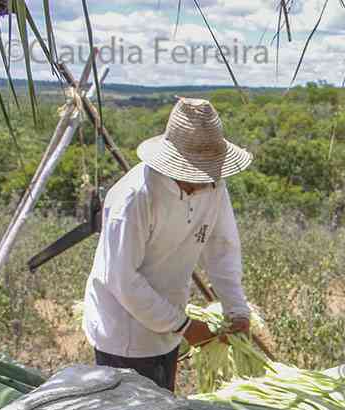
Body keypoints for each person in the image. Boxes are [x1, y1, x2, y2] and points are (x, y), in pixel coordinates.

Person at [81, 97, 254, 391]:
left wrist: (236, 309)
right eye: (194, 173)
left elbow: (222, 247)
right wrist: (185, 326)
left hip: (170, 321)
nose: (202, 183)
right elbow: (123, 280)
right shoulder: (135, 198)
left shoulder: (214, 185)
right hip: (123, 332)